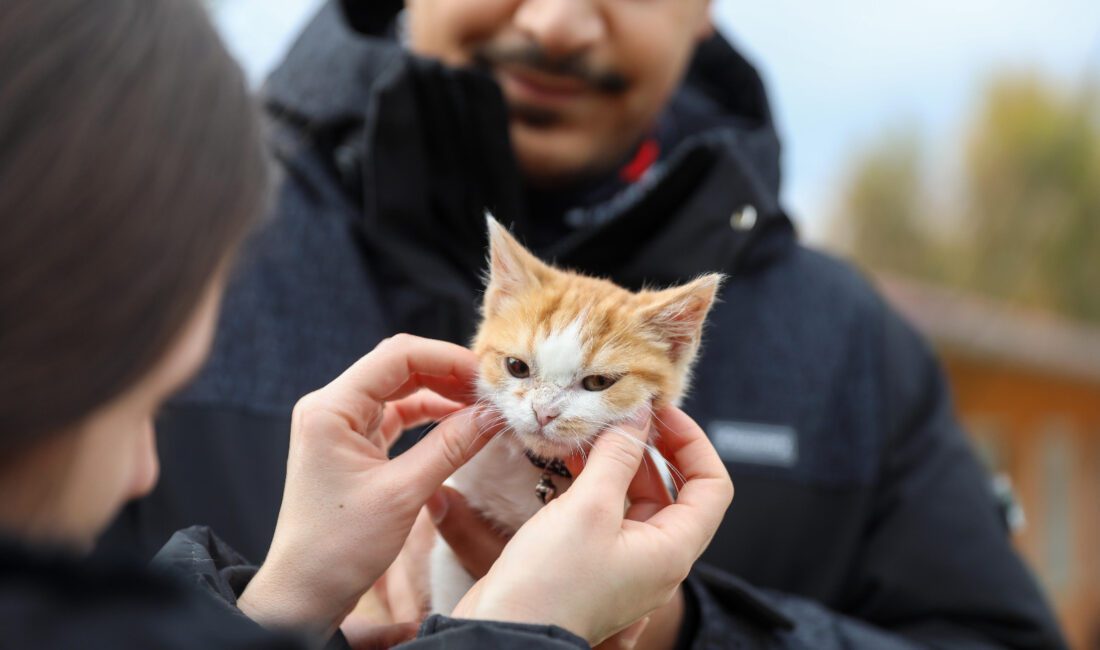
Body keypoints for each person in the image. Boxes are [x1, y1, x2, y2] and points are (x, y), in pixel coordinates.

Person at [100, 0, 1069, 648]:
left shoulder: (852, 341)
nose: (558, 21)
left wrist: (677, 623)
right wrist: (269, 610)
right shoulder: (163, 236)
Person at [0, 1, 735, 648]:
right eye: (141, 406)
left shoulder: (827, 320)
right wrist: (512, 636)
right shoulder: (232, 189)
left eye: (597, 383)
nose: (555, 20)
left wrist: (683, 624)